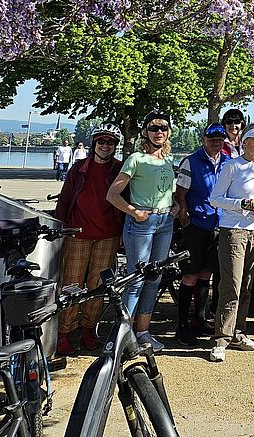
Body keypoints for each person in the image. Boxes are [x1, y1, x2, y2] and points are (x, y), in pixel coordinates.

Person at [106, 111, 178, 352]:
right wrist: (133, 212)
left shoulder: (168, 159)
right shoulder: (136, 159)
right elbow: (112, 194)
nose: (159, 132)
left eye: (164, 128)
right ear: (145, 132)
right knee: (136, 279)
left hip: (165, 222)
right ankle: (123, 337)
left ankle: (143, 332)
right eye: (154, 127)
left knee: (154, 278)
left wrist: (174, 204)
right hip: (142, 223)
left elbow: (166, 190)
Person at [54, 124, 124, 356]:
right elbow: (64, 200)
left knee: (98, 287)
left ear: (115, 146)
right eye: (101, 141)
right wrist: (59, 228)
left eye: (110, 142)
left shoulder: (120, 170)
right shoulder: (78, 169)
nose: (105, 145)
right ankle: (64, 333)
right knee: (71, 285)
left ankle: (88, 330)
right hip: (77, 234)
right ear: (94, 143)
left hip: (108, 235)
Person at [208, 125, 254, 362]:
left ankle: (238, 332)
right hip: (233, 229)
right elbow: (215, 199)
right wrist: (242, 204)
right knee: (231, 284)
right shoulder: (232, 166)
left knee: (246, 284)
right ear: (244, 142)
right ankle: (220, 339)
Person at [173, 123, 229, 346]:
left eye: (220, 138)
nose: (216, 142)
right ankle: (182, 325)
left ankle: (200, 319)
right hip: (197, 224)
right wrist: (186, 220)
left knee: (206, 273)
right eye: (212, 138)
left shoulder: (227, 162)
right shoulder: (192, 161)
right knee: (190, 275)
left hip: (219, 224)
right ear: (204, 139)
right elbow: (181, 194)